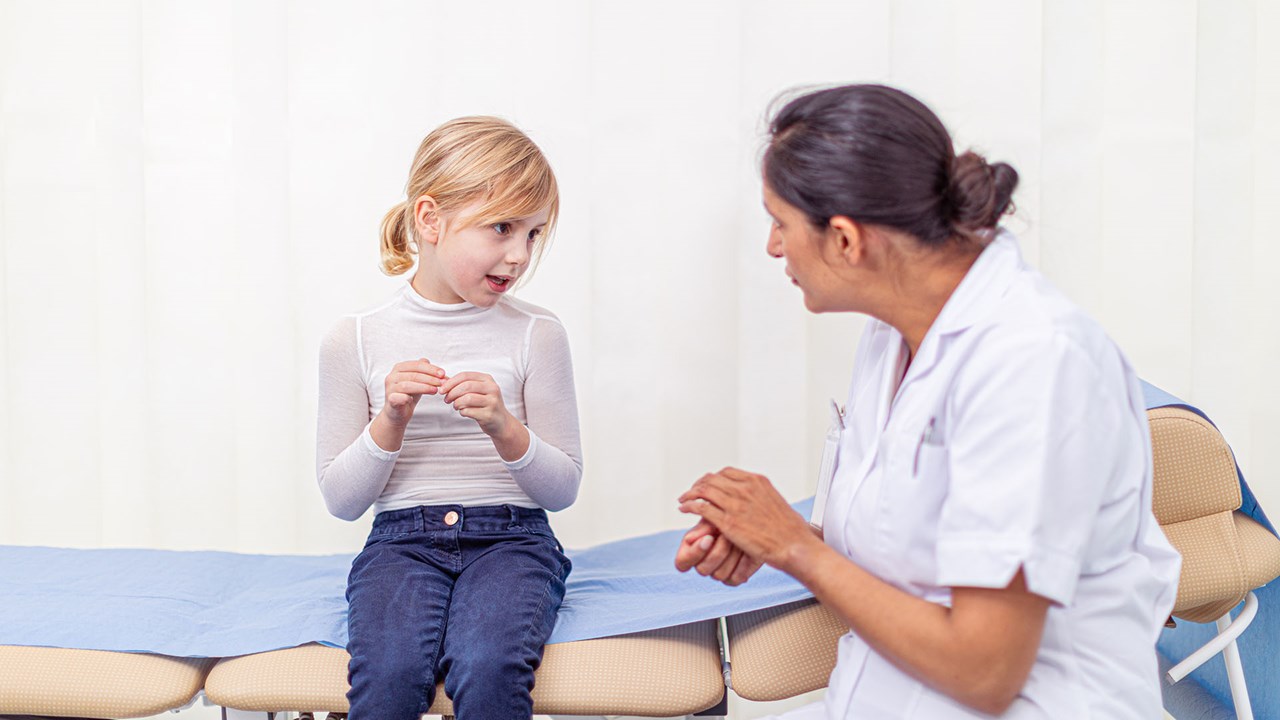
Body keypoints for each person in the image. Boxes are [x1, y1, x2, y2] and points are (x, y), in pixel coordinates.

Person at [674, 85, 1181, 718]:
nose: (774, 248)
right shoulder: (892, 333)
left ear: (845, 240)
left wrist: (795, 548)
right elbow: (904, 557)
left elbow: (986, 670)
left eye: (779, 223)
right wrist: (768, 538)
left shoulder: (1034, 362)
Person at [316, 116, 581, 720]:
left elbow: (562, 489)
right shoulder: (352, 340)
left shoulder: (537, 333)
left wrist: (504, 428)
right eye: (502, 228)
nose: (519, 255)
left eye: (534, 234)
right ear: (430, 220)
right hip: (400, 545)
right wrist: (389, 419)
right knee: (387, 679)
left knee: (489, 666)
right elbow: (341, 499)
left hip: (514, 540)